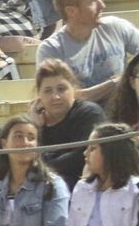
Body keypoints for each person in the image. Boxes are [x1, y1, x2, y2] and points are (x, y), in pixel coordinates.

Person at [40, 0, 139, 100]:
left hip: (123, 111)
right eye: (93, 0)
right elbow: (62, 98)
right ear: (71, 11)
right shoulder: (52, 49)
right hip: (82, 117)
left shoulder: (116, 27)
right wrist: (114, 83)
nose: (102, 5)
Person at [37, 58, 111, 191]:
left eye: (61, 89)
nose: (56, 97)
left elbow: (80, 157)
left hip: (86, 186)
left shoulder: (89, 113)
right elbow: (25, 158)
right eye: (48, 91)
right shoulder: (36, 121)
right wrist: (35, 127)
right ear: (39, 96)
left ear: (74, 89)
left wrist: (41, 166)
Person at [66, 123, 139, 226]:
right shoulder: (81, 188)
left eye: (92, 148)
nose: (85, 153)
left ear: (111, 153)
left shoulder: (135, 190)